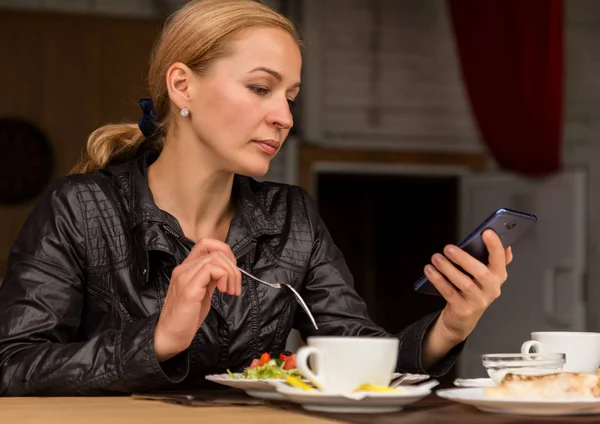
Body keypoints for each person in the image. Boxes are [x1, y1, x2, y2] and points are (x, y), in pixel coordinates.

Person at [0, 0, 512, 396]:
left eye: (289, 96)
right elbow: (12, 364)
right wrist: (158, 339)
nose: (285, 118)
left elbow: (357, 356)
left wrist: (450, 326)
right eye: (261, 88)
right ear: (183, 87)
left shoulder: (292, 217)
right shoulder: (81, 209)